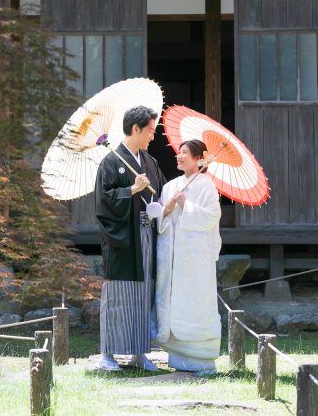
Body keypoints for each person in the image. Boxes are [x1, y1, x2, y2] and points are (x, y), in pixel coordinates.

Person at [94, 105, 167, 372]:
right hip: (123, 238)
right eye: (150, 130)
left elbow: (160, 192)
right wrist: (130, 190)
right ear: (135, 129)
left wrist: (163, 206)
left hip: (146, 234)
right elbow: (103, 203)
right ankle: (108, 355)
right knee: (119, 295)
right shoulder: (111, 162)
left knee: (143, 293)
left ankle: (139, 352)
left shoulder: (150, 162)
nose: (152, 136)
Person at [153, 139, 223, 375]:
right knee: (176, 301)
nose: (179, 156)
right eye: (178, 152)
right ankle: (178, 356)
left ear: (198, 159)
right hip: (175, 256)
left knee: (196, 303)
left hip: (196, 260)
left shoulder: (207, 186)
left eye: (185, 153)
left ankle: (201, 359)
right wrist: (168, 210)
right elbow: (161, 219)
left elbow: (212, 217)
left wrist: (187, 205)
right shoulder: (170, 185)